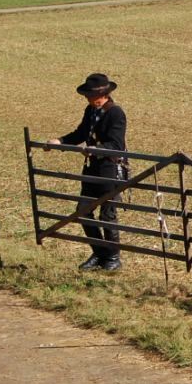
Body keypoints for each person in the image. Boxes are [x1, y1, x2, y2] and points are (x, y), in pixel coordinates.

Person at [45, 74, 128, 271]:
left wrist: (95, 149)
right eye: (88, 96)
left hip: (109, 170)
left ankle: (113, 258)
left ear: (104, 95)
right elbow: (81, 134)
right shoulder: (91, 111)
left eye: (92, 96)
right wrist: (61, 141)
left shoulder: (116, 114)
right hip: (92, 168)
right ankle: (100, 253)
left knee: (107, 215)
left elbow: (116, 144)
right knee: (83, 211)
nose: (89, 100)